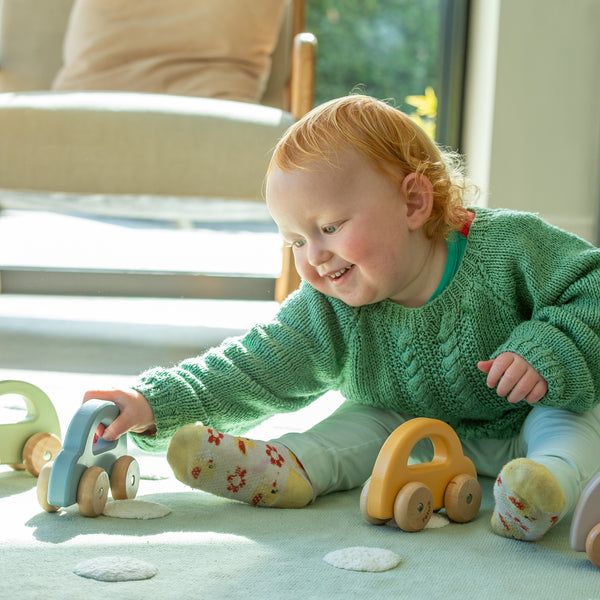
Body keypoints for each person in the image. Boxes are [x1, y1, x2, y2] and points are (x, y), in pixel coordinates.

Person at [84, 94, 600, 541]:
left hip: (534, 410)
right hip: (407, 427)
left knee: (572, 426)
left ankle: (540, 486)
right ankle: (286, 466)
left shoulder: (509, 247)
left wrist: (552, 347)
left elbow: (592, 287)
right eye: (295, 241)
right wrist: (158, 401)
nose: (312, 257)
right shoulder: (331, 305)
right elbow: (256, 367)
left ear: (414, 202)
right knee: (353, 425)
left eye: (329, 226)